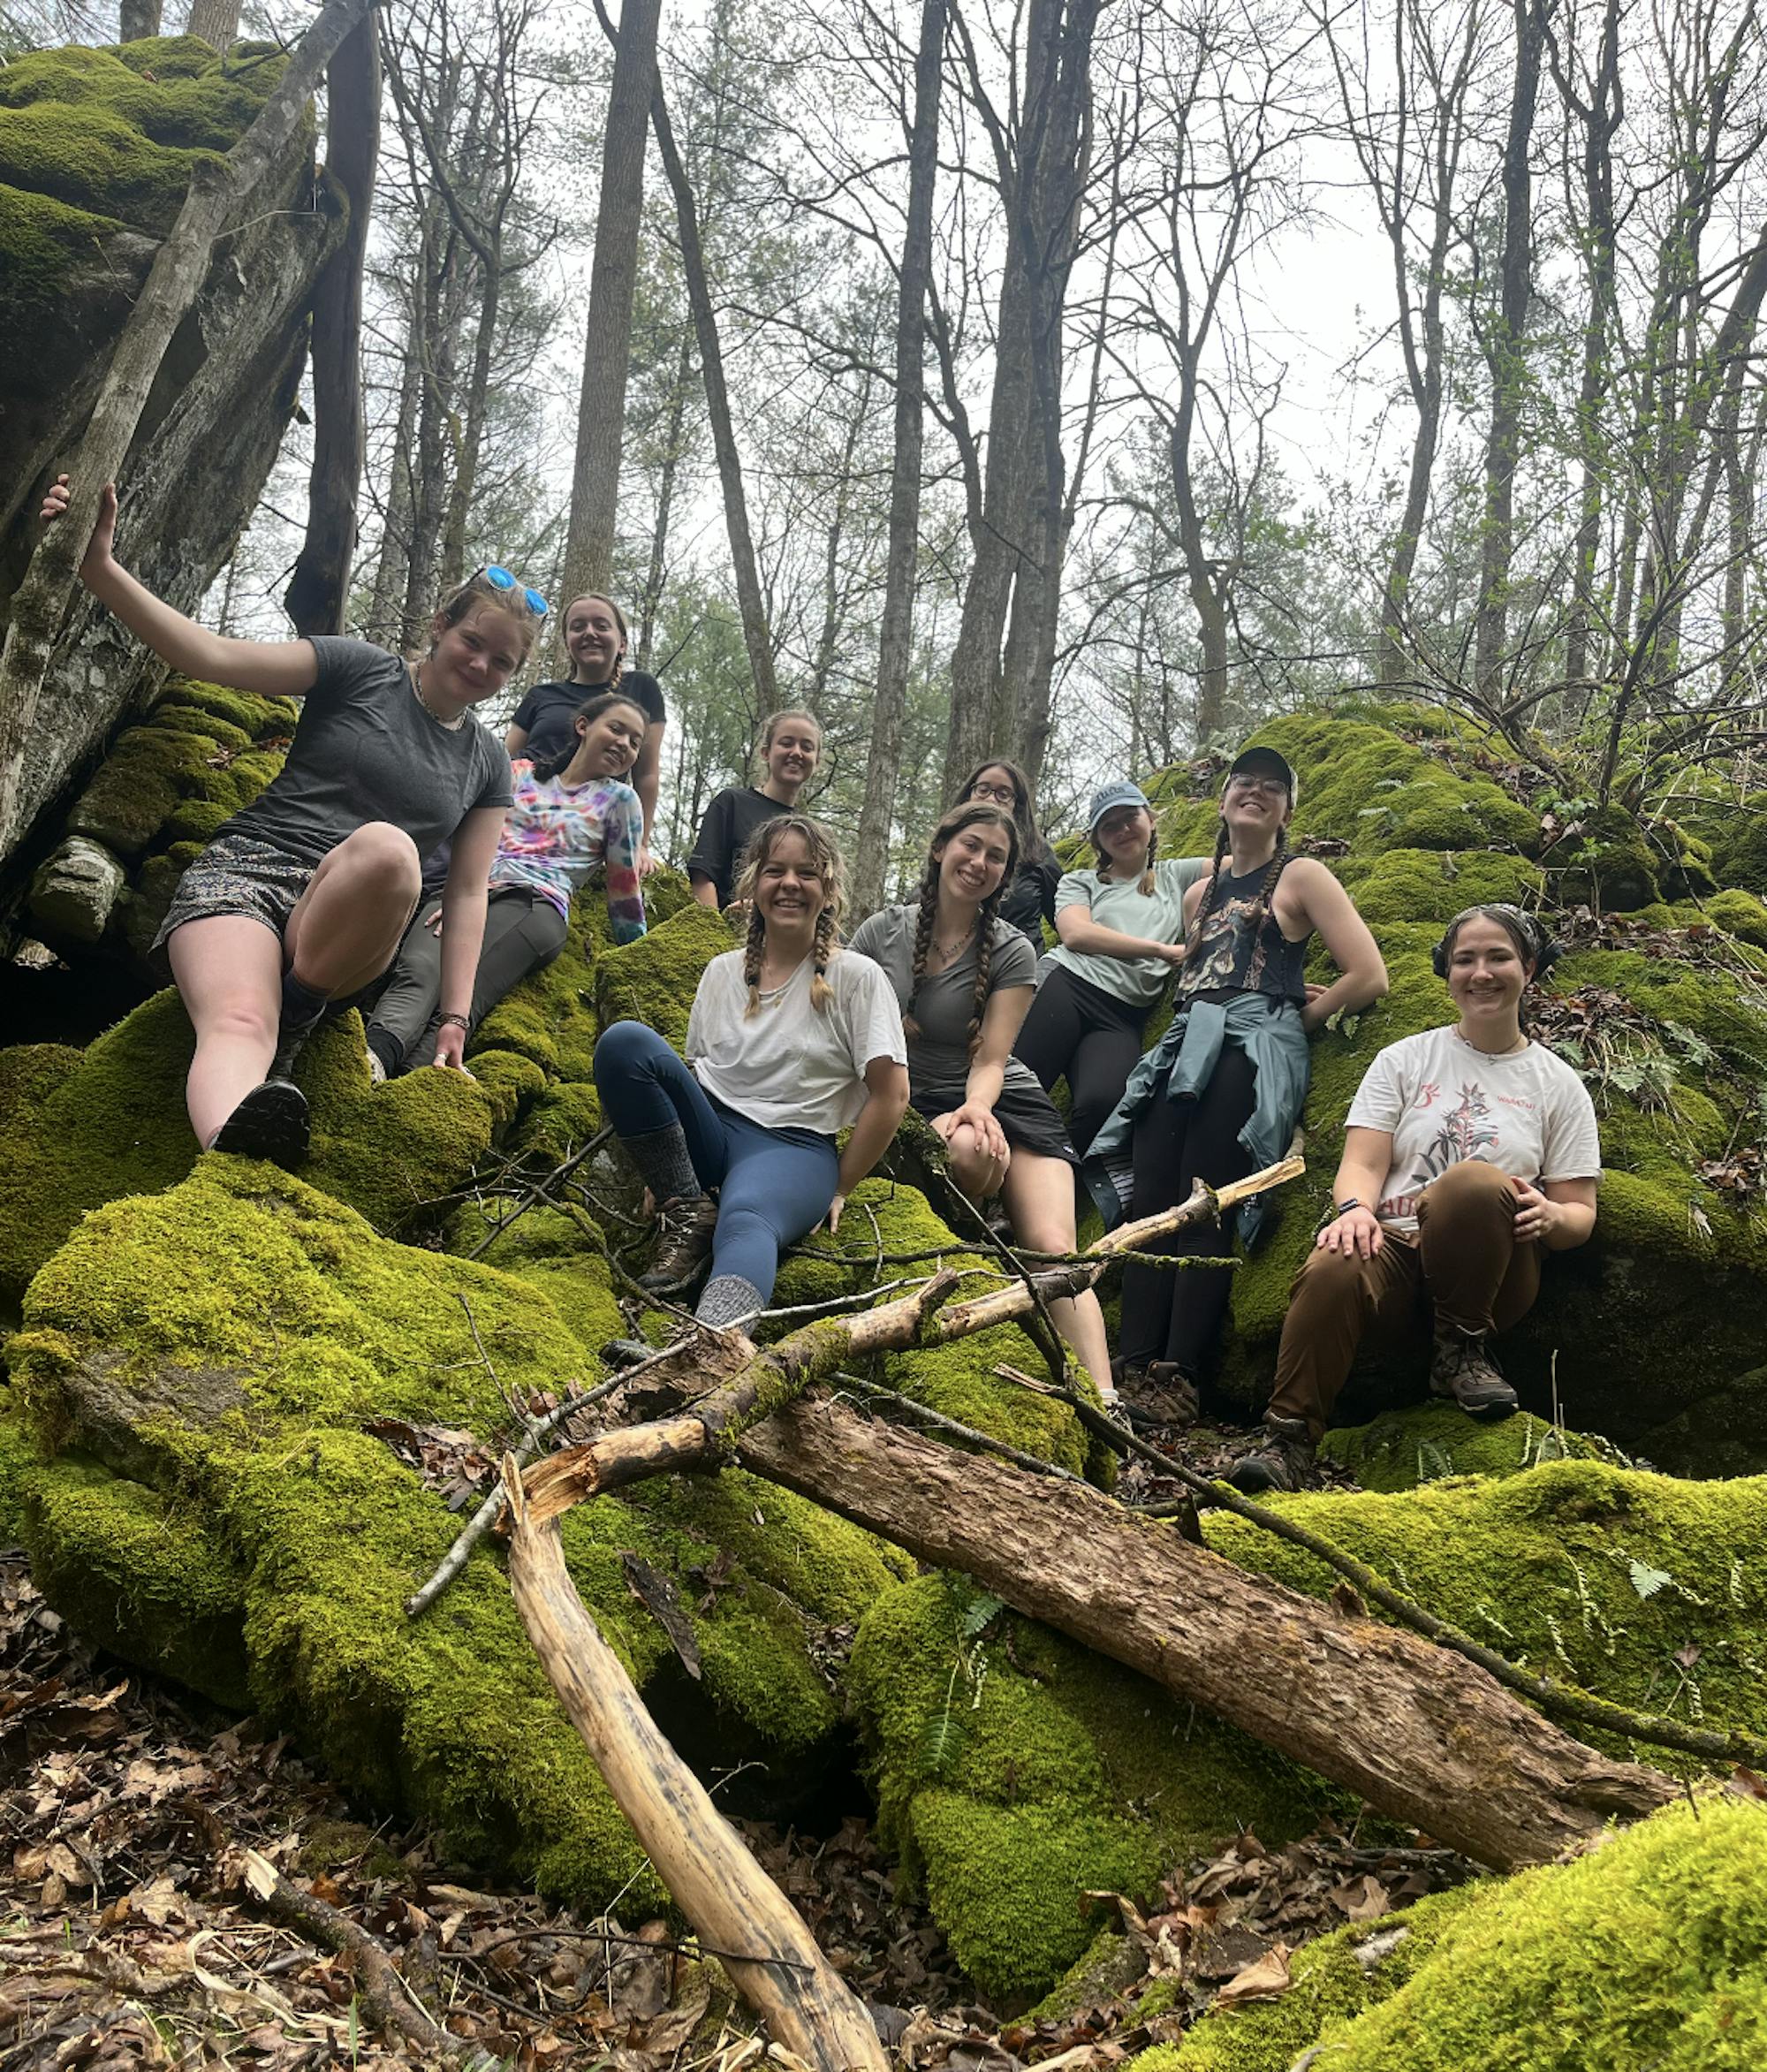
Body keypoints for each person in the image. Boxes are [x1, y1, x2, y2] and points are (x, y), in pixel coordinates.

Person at [40, 474, 523, 1165]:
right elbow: (207, 655)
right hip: (247, 873)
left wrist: (453, 1019)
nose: (480, 664)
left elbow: (471, 892)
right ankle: (235, 1147)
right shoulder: (359, 669)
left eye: (502, 661)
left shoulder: (486, 761)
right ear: (442, 626)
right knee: (238, 1018)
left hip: (349, 922)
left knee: (391, 853)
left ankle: (298, 1008)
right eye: (473, 640)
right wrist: (101, 568)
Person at [1229, 903, 1601, 1493]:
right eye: (1465, 959)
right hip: (1397, 1260)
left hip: (1494, 1278)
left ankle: (1461, 1353)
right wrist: (1353, 1211)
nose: (1482, 972)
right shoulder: (1404, 1059)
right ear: (1447, 973)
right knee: (1332, 1263)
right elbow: (1362, 1164)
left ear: (1528, 967)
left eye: (1498, 957)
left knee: (1474, 1182)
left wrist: (1554, 1215)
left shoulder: (1557, 1084)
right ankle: (1288, 1440)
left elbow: (1580, 1212)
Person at [1088, 747, 1389, 1416]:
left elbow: (1368, 973)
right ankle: (1131, 1366)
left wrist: (1293, 1020)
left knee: (1205, 1197)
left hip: (1247, 1049)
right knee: (1150, 1202)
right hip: (1182, 1045)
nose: (1255, 792)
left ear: (1287, 810)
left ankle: (1179, 1374)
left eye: (1272, 787)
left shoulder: (1303, 876)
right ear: (1224, 801)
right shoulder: (1200, 892)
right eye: (1244, 782)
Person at [594, 814, 909, 1333]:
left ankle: (704, 1350)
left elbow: (891, 1095)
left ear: (828, 889)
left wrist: (840, 1186)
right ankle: (691, 1210)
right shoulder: (722, 971)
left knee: (745, 1221)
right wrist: (669, 1172)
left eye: (807, 873)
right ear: (753, 885)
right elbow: (697, 1071)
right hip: (710, 1128)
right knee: (626, 1042)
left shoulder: (857, 977)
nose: (790, 884)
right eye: (775, 870)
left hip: (790, 1149)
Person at [849, 801, 1116, 1402]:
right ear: (941, 847)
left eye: (996, 856)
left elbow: (993, 1058)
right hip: (907, 1096)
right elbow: (846, 1032)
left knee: (1054, 1251)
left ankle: (1106, 1402)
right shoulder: (880, 932)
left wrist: (976, 1108)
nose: (980, 862)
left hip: (998, 1095)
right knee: (969, 1156)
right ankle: (975, 1254)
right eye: (971, 846)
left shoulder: (1012, 948)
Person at [365, 690, 649, 1079]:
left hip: (537, 904)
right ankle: (372, 1059)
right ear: (583, 726)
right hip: (469, 890)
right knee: (421, 969)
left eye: (636, 742)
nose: (625, 744)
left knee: (468, 992)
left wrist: (639, 960)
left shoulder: (620, 800)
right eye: (617, 729)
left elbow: (623, 890)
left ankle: (412, 1084)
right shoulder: (517, 773)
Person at [1011, 780, 1210, 1157]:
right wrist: (1159, 950)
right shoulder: (1081, 881)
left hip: (1122, 1016)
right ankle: (983, 1190)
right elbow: (1075, 933)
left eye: (1130, 817)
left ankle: (1041, 1189)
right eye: (1109, 825)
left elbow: (1249, 865)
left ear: (1150, 819)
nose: (1122, 830)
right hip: (1066, 986)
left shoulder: (1177, 875)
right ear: (1096, 839)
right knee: (1020, 1081)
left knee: (1105, 1104)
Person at [505, 594, 667, 875]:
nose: (589, 633)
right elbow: (502, 762)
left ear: (623, 643)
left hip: (585, 817)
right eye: (578, 626)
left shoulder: (641, 688)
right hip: (520, 809)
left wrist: (639, 845)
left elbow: (647, 775)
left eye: (601, 626)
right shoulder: (540, 695)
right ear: (567, 642)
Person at [686, 710, 823, 909]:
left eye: (807, 747)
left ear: (816, 761)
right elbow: (702, 877)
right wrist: (713, 932)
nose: (796, 752)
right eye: (786, 743)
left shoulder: (807, 832)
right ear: (766, 753)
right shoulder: (731, 803)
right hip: (727, 932)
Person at [951, 757, 1063, 947]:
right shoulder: (950, 846)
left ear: (1017, 805)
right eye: (983, 790)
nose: (991, 799)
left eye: (1003, 794)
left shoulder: (1038, 853)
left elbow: (1068, 919)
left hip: (1021, 967)